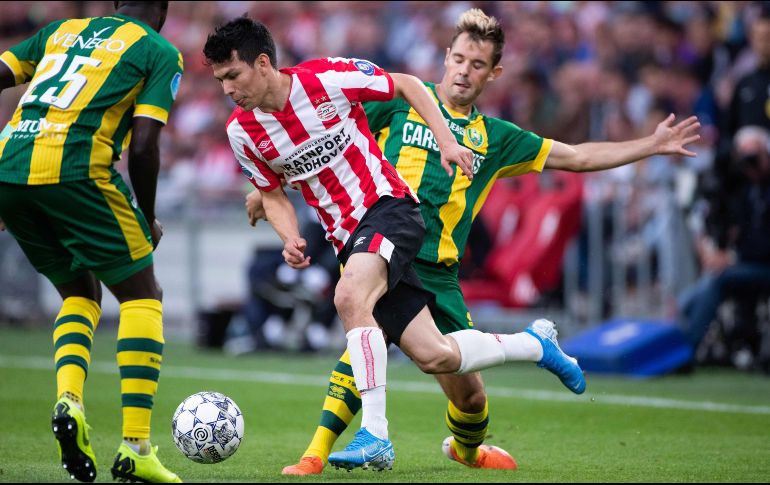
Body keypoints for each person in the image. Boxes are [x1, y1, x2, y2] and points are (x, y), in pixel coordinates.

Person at [243, 9, 702, 476]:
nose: (464, 70)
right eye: (459, 59)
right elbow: (322, 139)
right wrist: (265, 189)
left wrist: (649, 145)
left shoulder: (495, 138)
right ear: (446, 57)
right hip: (383, 241)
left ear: (493, 73)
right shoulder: (402, 104)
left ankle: (468, 446)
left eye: (477, 64)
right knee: (363, 324)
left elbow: (577, 156)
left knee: (469, 396)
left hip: (440, 271)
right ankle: (316, 454)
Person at [205, 15, 589, 473]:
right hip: (347, 236)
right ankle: (535, 344)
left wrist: (446, 141)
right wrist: (288, 236)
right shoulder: (241, 132)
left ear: (263, 63)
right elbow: (272, 193)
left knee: (349, 296)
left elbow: (406, 84)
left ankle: (375, 435)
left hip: (389, 207)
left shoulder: (327, 79)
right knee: (434, 355)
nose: (228, 89)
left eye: (233, 75)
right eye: (220, 80)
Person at [0, 2, 182, 482]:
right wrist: (147, 216)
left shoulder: (62, 31)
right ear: (163, 7)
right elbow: (144, 145)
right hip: (77, 168)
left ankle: (70, 399)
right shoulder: (158, 50)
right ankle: (136, 448)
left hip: (10, 167)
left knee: (80, 292)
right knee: (143, 295)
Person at [678, 125, 770, 365]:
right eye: (744, 157)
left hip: (761, 265)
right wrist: (724, 254)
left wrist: (732, 257)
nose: (750, 165)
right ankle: (674, 342)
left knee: (719, 278)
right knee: (692, 296)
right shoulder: (746, 189)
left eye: (754, 156)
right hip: (747, 263)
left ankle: (687, 350)